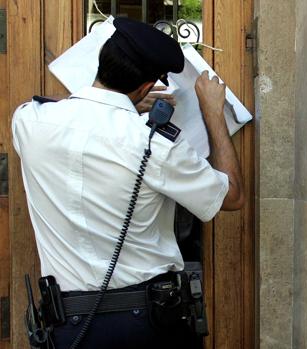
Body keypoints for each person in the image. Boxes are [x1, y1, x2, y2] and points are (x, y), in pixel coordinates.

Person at [12, 17, 244, 349]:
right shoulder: (155, 146)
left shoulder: (28, 121)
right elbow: (232, 196)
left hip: (66, 327)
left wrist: (125, 101)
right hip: (149, 326)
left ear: (102, 61)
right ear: (147, 86)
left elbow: (71, 114)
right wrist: (212, 113)